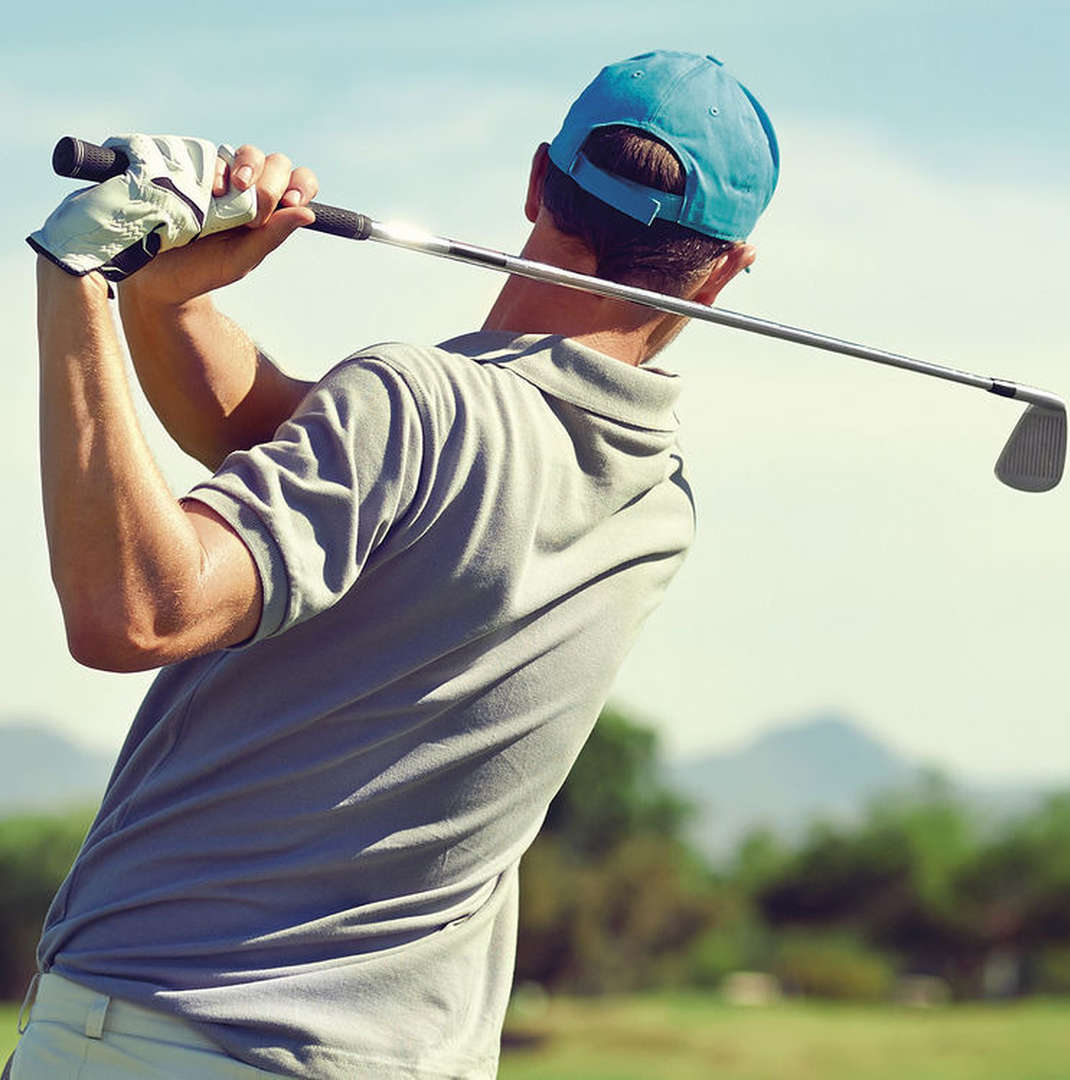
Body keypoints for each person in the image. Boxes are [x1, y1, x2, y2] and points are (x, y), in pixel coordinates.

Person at [15, 50, 779, 1079]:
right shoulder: (658, 502)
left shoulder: (416, 405)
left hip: (170, 1028)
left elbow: (138, 610)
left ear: (537, 182)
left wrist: (83, 280)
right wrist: (169, 305)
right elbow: (300, 452)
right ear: (728, 269)